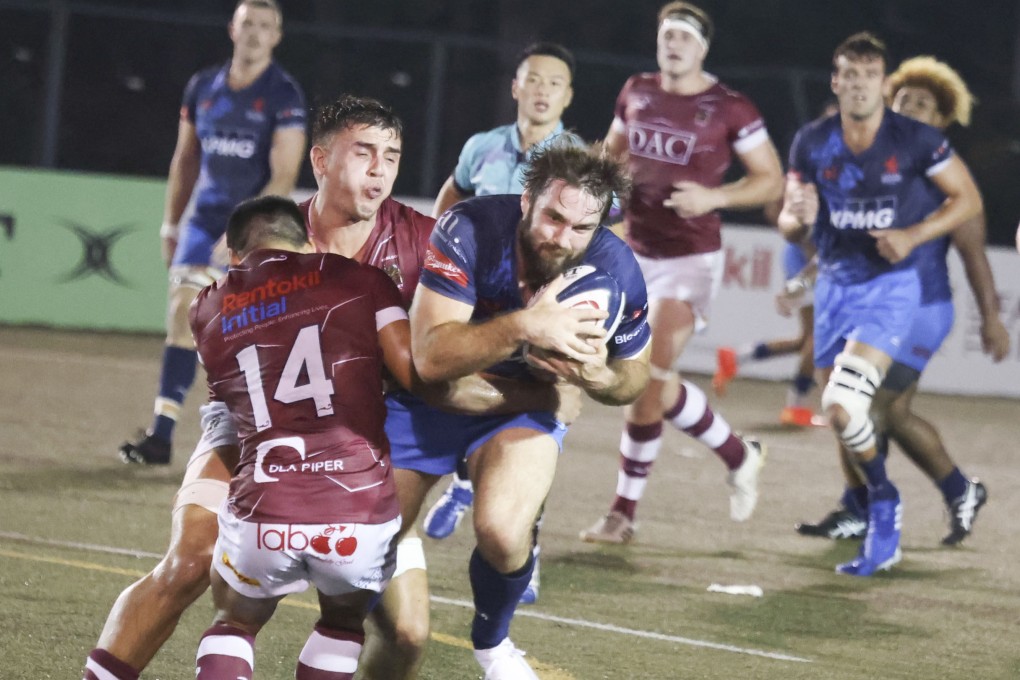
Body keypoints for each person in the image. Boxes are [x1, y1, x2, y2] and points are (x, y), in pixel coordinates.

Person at [83, 95, 574, 680]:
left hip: (365, 445)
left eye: (392, 155)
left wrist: (539, 362)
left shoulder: (427, 244)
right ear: (319, 160)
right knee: (190, 561)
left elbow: (459, 348)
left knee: (408, 634)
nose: (380, 169)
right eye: (364, 152)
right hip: (253, 431)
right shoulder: (273, 238)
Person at [407, 141, 650, 678]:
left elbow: (635, 376)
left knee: (501, 531)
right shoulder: (469, 228)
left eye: (581, 227)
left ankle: (493, 647)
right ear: (526, 201)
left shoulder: (615, 267)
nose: (562, 238)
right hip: (432, 397)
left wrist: (599, 376)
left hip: (515, 409)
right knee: (368, 542)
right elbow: (430, 359)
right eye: (553, 217)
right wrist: (524, 326)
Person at [777, 33, 983, 575]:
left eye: (871, 76)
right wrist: (796, 223)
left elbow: (971, 223)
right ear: (836, 81)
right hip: (838, 292)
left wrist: (989, 316)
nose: (860, 85)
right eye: (850, 74)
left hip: (906, 297)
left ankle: (880, 509)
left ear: (880, 82)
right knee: (855, 413)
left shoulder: (922, 149)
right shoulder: (814, 141)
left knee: (858, 408)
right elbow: (799, 222)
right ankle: (878, 503)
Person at [580, 1, 783, 544]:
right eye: (667, 35)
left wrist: (715, 197)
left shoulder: (730, 107)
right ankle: (739, 454)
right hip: (633, 252)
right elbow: (610, 159)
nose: (674, 45)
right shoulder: (636, 90)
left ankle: (623, 513)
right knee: (651, 381)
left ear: (703, 48)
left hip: (690, 259)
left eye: (685, 38)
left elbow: (771, 179)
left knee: (648, 374)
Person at [186, 195, 413, 679]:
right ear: (308, 241)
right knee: (343, 622)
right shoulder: (365, 280)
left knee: (234, 621)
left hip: (265, 506)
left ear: (234, 255)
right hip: (356, 509)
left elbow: (228, 403)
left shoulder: (206, 307)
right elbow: (412, 371)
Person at [119, 0, 307, 465]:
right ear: (232, 30)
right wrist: (171, 223)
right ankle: (161, 436)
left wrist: (247, 229)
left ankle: (262, 434)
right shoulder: (203, 87)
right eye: (248, 24)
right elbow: (185, 159)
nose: (255, 33)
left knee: (236, 334)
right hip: (203, 225)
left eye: (265, 26)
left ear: (277, 37)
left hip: (254, 227)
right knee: (183, 310)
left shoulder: (283, 93)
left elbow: (284, 174)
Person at [423, 41, 577, 605]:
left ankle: (526, 547)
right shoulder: (482, 147)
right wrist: (435, 250)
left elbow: (605, 232)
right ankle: (464, 479)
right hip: (478, 309)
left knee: (540, 425)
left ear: (567, 96)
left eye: (553, 83)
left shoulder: (577, 159)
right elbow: (453, 197)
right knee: (456, 392)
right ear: (515, 86)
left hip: (541, 311)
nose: (541, 91)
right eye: (532, 79)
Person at [712, 240, 819, 427]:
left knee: (806, 340)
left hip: (809, 265)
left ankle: (736, 358)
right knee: (816, 340)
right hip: (808, 267)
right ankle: (796, 406)